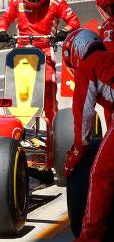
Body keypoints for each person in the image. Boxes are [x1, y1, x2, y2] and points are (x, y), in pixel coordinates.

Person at [0, 0, 80, 126]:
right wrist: (2, 32)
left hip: (45, 52)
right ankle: (19, 129)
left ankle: (52, 130)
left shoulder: (56, 1)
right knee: (17, 94)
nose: (34, 0)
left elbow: (74, 21)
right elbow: (4, 19)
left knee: (48, 90)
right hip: (21, 52)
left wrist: (64, 31)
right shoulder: (16, 0)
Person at [61, 29, 114, 242]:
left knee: (99, 174)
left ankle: (90, 237)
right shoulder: (108, 58)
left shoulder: (87, 66)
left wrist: (73, 157)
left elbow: (84, 121)